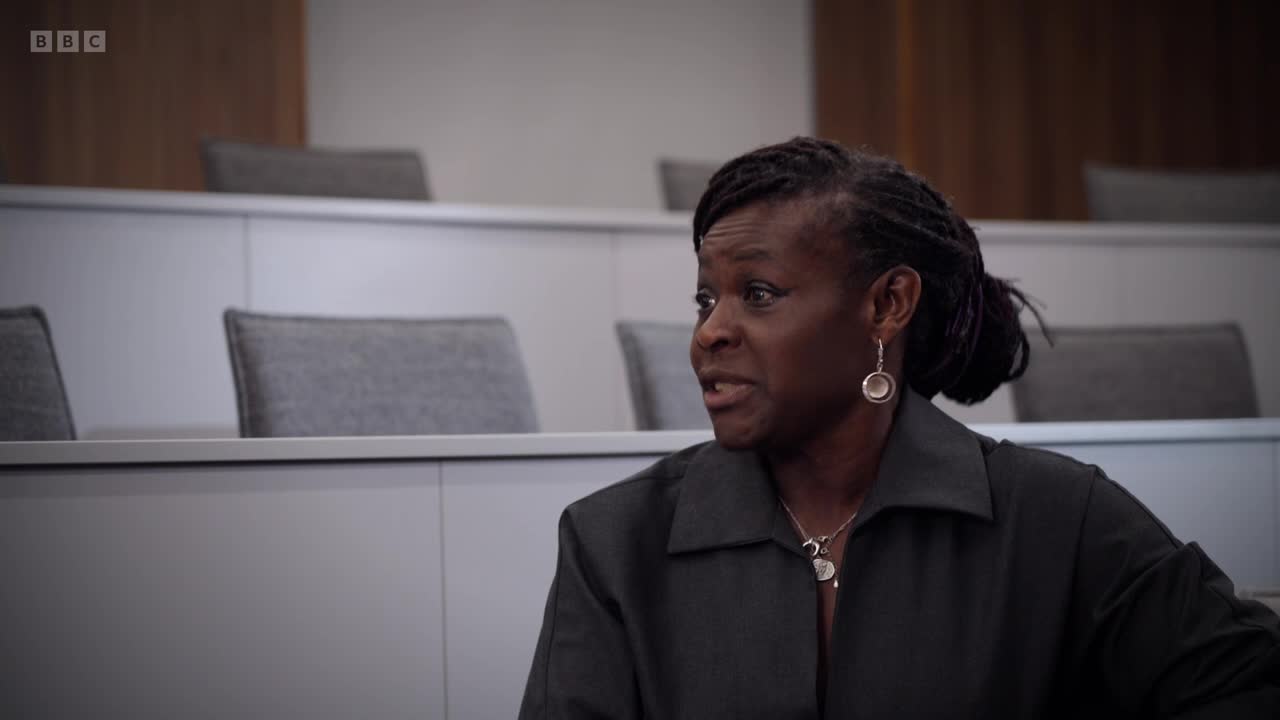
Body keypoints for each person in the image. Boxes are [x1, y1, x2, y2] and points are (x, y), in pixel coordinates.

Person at [518, 137, 1280, 718]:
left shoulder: (1058, 518)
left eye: (758, 293)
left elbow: (1246, 684)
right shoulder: (615, 540)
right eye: (704, 300)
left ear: (888, 305)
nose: (710, 332)